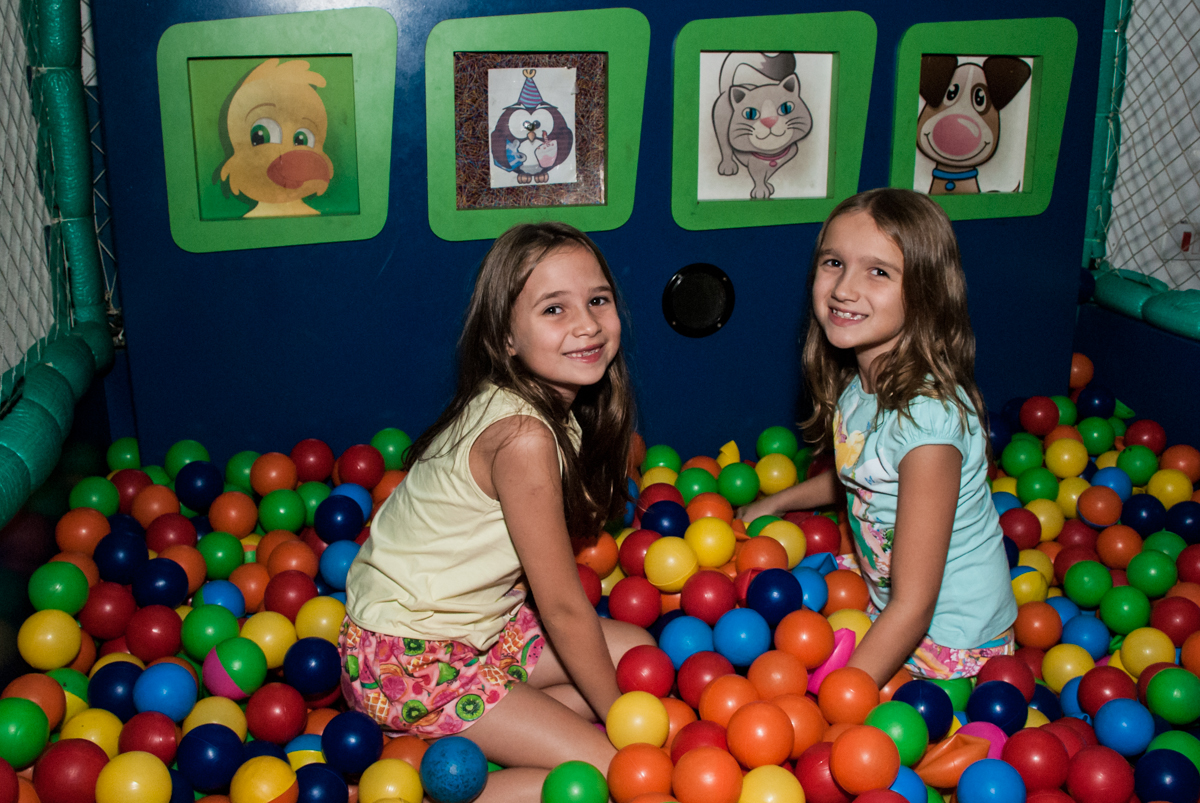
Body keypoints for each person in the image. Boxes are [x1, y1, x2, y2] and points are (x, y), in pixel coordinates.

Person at [339, 222, 654, 801]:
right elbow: (562, 606)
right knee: (609, 776)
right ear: (506, 337)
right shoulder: (523, 437)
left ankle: (479, 736)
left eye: (598, 300)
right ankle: (432, 788)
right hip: (410, 661)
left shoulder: (549, 407)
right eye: (553, 309)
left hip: (483, 632)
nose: (586, 323)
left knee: (637, 650)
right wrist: (624, 725)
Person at [740, 188, 1017, 686]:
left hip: (949, 636)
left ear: (927, 292)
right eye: (833, 263)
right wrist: (774, 504)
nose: (845, 288)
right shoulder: (858, 386)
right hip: (885, 601)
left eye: (879, 272)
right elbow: (862, 477)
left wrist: (843, 696)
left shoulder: (928, 427)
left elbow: (915, 605)